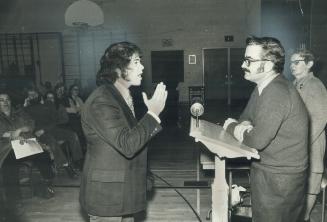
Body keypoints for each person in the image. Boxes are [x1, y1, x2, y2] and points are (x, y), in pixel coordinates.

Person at [223, 36, 309, 222]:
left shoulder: (276, 91)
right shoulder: (263, 87)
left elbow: (256, 140)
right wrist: (244, 127)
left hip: (281, 180)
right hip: (269, 172)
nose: (243, 65)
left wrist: (232, 127)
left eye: (249, 61)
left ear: (269, 64)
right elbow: (245, 117)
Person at [79, 41, 167, 222]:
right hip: (107, 198)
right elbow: (127, 144)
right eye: (136, 62)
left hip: (125, 192)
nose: (142, 67)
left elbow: (133, 139)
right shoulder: (102, 100)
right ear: (118, 69)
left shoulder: (121, 95)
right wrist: (153, 114)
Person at [290, 49, 327, 222]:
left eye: (296, 62)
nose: (292, 66)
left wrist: (301, 144)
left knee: (309, 186)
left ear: (309, 64)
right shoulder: (295, 84)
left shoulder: (315, 85)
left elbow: (320, 118)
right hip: (295, 147)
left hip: (309, 146)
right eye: (291, 63)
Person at [0, 93, 56, 207]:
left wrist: (20, 129)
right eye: (1, 100)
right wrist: (12, 135)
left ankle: (46, 184)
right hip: (6, 147)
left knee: (43, 154)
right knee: (9, 163)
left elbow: (31, 123)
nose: (5, 102)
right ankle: (14, 198)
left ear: (11, 101)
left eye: (7, 99)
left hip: (23, 143)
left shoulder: (19, 112)